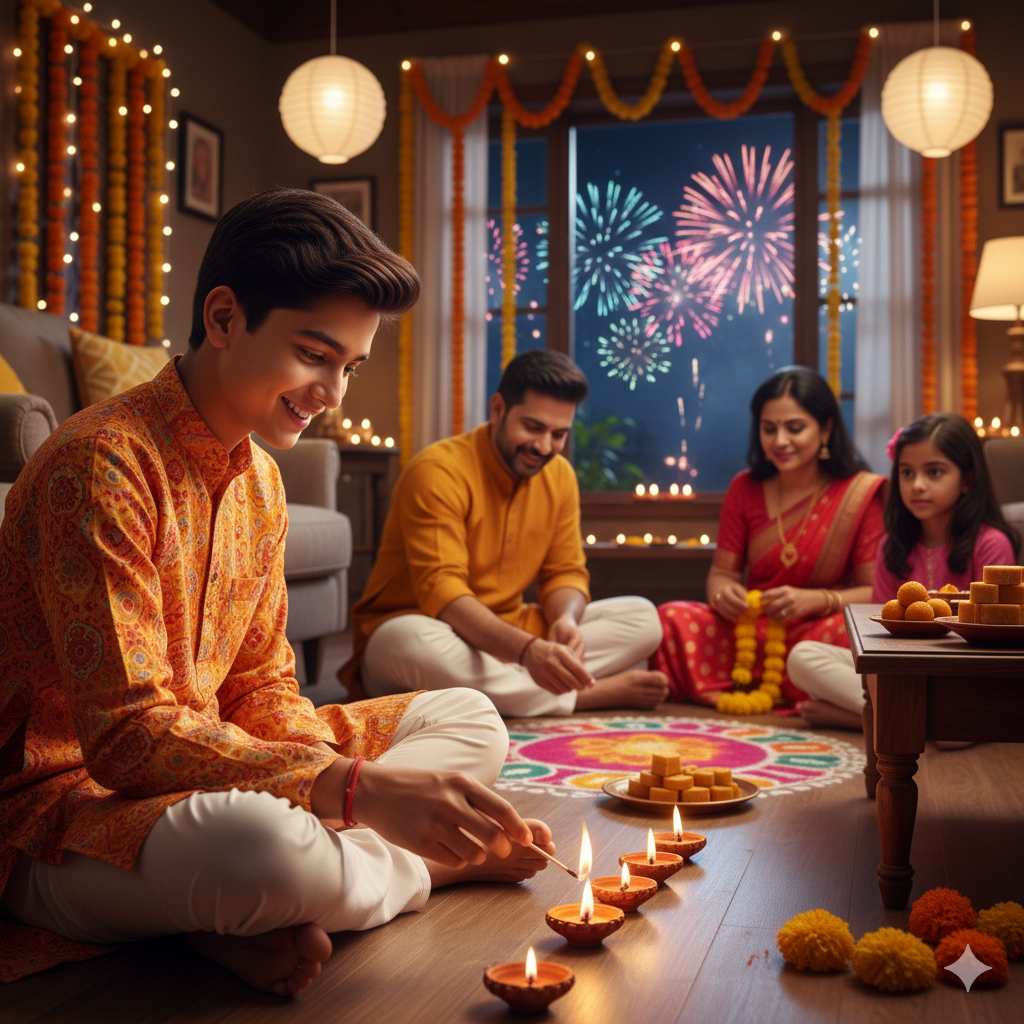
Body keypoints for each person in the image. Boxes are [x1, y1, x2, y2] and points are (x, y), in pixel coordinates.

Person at [0, 189, 556, 993]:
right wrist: (353, 790)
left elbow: (260, 684)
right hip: (56, 817)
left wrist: (328, 778)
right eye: (314, 355)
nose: (333, 392)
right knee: (258, 851)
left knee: (466, 715)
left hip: (207, 778)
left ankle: (263, 907)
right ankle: (418, 868)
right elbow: (124, 740)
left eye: (350, 367)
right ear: (224, 319)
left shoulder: (260, 478)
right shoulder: (100, 464)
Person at [342, 349, 668, 717]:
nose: (545, 447)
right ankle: (581, 695)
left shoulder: (560, 476)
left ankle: (519, 686)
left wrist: (565, 621)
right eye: (533, 427)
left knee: (643, 618)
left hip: (508, 637)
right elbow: (443, 592)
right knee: (408, 641)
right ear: (497, 409)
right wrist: (529, 652)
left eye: (558, 434)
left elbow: (565, 572)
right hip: (427, 630)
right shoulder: (437, 471)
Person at [651, 367, 885, 708]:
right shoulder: (745, 488)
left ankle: (816, 691)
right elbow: (723, 574)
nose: (780, 441)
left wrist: (815, 600)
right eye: (768, 429)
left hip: (816, 631)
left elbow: (873, 594)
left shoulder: (858, 494)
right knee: (672, 618)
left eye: (795, 428)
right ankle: (813, 696)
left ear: (826, 429)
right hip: (750, 631)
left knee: (847, 638)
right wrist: (723, 596)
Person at [788, 413, 1021, 730]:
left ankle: (870, 718)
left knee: (971, 711)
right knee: (803, 656)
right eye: (907, 473)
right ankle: (922, 723)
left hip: (961, 676)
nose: (917, 485)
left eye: (934, 472)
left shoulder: (991, 546)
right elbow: (882, 634)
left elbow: (990, 646)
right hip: (901, 674)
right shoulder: (892, 545)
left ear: (967, 480)